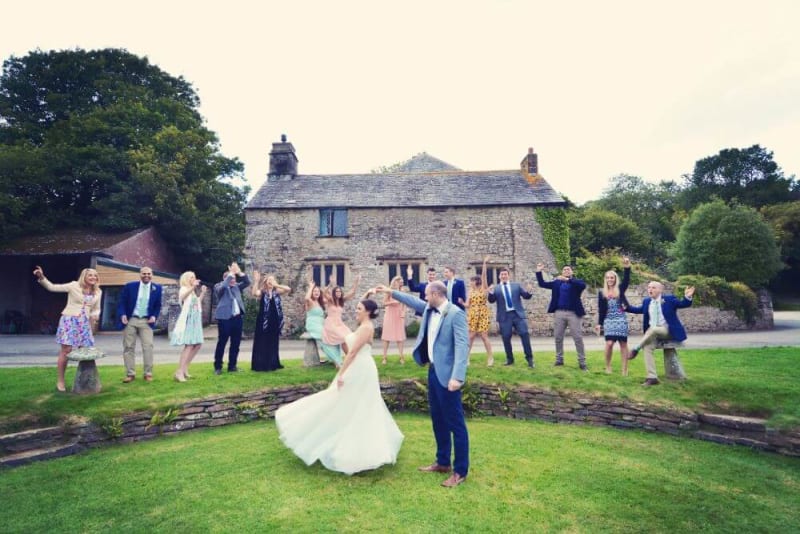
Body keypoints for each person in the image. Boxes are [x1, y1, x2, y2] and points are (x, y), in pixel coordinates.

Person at [275, 299, 404, 475]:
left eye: (359, 308)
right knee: (344, 403)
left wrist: (341, 373)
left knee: (355, 405)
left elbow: (352, 353)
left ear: (367, 311)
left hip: (360, 369)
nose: (356, 311)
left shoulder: (366, 328)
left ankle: (358, 451)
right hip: (358, 367)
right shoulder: (364, 325)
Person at [378, 280, 470, 488]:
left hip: (449, 376)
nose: (425, 298)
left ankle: (460, 471)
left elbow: (463, 346)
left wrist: (457, 377)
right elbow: (412, 301)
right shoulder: (430, 308)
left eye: (427, 295)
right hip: (433, 371)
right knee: (438, 419)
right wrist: (391, 292)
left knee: (456, 424)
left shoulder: (456, 314)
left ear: (437, 294)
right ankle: (443, 462)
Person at [32, 265, 102, 392]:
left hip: (85, 323)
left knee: (85, 352)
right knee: (66, 350)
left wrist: (95, 317)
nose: (93, 277)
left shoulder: (98, 292)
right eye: (90, 275)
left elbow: (96, 308)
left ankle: (85, 382)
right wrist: (42, 277)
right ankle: (60, 381)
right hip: (70, 320)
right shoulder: (73, 285)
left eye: (95, 275)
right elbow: (52, 287)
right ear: (84, 276)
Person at [625, 282, 696, 386]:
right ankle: (652, 377)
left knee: (653, 329)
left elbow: (683, 304)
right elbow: (636, 310)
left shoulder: (669, 299)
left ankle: (635, 349)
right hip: (653, 334)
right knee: (647, 347)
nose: (650, 289)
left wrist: (687, 297)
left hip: (668, 332)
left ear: (660, 290)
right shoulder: (647, 301)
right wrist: (625, 307)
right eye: (649, 287)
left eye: (653, 287)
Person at [536, 263, 588, 371]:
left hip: (573, 313)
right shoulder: (557, 283)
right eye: (564, 269)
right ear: (562, 272)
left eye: (568, 269)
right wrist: (539, 271)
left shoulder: (576, 283)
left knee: (577, 338)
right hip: (559, 313)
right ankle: (559, 360)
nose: (566, 271)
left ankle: (582, 362)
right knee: (558, 337)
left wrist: (567, 280)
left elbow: (583, 286)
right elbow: (542, 284)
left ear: (572, 272)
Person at [117, 266, 163, 383]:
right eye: (144, 274)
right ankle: (130, 374)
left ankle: (148, 373)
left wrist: (154, 316)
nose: (146, 276)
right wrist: (122, 314)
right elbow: (122, 302)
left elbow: (158, 305)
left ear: (152, 275)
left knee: (148, 347)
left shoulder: (157, 288)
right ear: (140, 274)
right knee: (128, 347)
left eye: (148, 274)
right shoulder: (130, 286)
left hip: (146, 321)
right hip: (131, 320)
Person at [487, 267, 535, 367]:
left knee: (524, 334)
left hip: (517, 314)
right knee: (506, 337)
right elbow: (491, 301)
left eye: (505, 274)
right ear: (499, 276)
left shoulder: (516, 286)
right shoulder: (496, 288)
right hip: (504, 316)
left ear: (509, 275)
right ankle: (510, 359)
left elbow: (526, 296)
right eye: (502, 275)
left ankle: (530, 359)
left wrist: (529, 291)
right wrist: (490, 293)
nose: (504, 276)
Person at [595, 257, 632, 375]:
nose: (610, 279)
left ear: (615, 279)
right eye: (608, 278)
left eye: (612, 277)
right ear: (605, 279)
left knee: (623, 344)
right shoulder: (602, 293)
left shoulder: (620, 289)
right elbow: (601, 310)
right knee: (609, 343)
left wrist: (627, 267)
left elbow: (626, 280)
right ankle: (608, 367)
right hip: (609, 320)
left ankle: (625, 370)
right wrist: (599, 324)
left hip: (620, 319)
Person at [213, 261, 250, 375]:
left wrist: (238, 272)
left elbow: (247, 282)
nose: (234, 280)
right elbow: (223, 287)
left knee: (236, 343)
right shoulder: (219, 286)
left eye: (234, 278)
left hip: (237, 318)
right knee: (222, 343)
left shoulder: (237, 287)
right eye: (232, 278)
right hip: (225, 319)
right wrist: (230, 274)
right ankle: (218, 367)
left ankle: (232, 366)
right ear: (226, 278)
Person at [250, 271, 291, 372]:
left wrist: (276, 285)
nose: (271, 281)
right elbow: (254, 293)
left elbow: (288, 289)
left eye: (272, 280)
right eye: (269, 280)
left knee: (273, 342)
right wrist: (256, 281)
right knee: (263, 342)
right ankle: (262, 364)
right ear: (266, 282)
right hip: (263, 322)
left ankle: (273, 363)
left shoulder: (276, 292)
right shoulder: (262, 292)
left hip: (275, 321)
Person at [170, 271, 207, 382]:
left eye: (194, 277)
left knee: (198, 344)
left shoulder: (193, 292)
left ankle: (185, 369)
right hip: (188, 320)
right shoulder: (184, 288)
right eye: (191, 277)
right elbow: (182, 297)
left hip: (195, 320)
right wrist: (192, 288)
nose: (193, 279)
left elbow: (197, 303)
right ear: (186, 279)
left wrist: (202, 293)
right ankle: (179, 372)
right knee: (189, 345)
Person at [460, 256, 494, 366]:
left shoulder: (483, 288)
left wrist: (484, 263)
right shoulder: (470, 291)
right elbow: (467, 305)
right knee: (471, 337)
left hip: (483, 313)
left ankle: (490, 357)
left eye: (471, 281)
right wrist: (462, 303)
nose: (470, 282)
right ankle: (467, 357)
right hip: (473, 314)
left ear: (476, 281)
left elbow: (484, 275)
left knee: (484, 336)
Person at [322, 273, 361, 364]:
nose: (338, 293)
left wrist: (356, 283)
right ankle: (348, 359)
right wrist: (330, 284)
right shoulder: (331, 301)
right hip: (331, 324)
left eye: (339, 291)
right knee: (343, 338)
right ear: (334, 293)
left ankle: (349, 358)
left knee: (347, 338)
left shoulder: (342, 301)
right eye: (336, 292)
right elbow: (323, 292)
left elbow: (352, 292)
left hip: (339, 323)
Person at [303, 279, 342, 363]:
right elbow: (306, 297)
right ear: (311, 293)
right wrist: (311, 287)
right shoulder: (310, 302)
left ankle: (335, 357)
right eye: (314, 291)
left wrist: (330, 285)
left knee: (333, 335)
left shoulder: (320, 302)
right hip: (313, 325)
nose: (316, 292)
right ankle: (336, 360)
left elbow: (327, 295)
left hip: (321, 324)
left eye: (318, 291)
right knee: (325, 337)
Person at [379, 276, 407, 364]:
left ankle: (401, 357)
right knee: (386, 336)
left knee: (400, 336)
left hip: (398, 314)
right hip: (389, 314)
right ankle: (384, 357)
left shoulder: (403, 291)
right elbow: (383, 303)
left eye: (402, 282)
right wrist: (392, 302)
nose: (401, 284)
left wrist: (404, 312)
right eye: (400, 282)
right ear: (395, 282)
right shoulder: (389, 291)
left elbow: (405, 303)